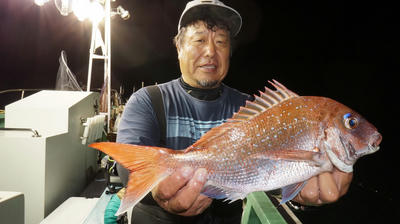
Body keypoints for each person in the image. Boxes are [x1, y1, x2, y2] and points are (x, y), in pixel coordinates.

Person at [116, 0, 353, 223]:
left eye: (221, 42)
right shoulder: (148, 100)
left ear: (229, 52)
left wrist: (303, 194)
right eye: (199, 40)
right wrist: (159, 191)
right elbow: (130, 168)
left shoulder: (252, 108)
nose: (210, 51)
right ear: (179, 47)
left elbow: (268, 175)